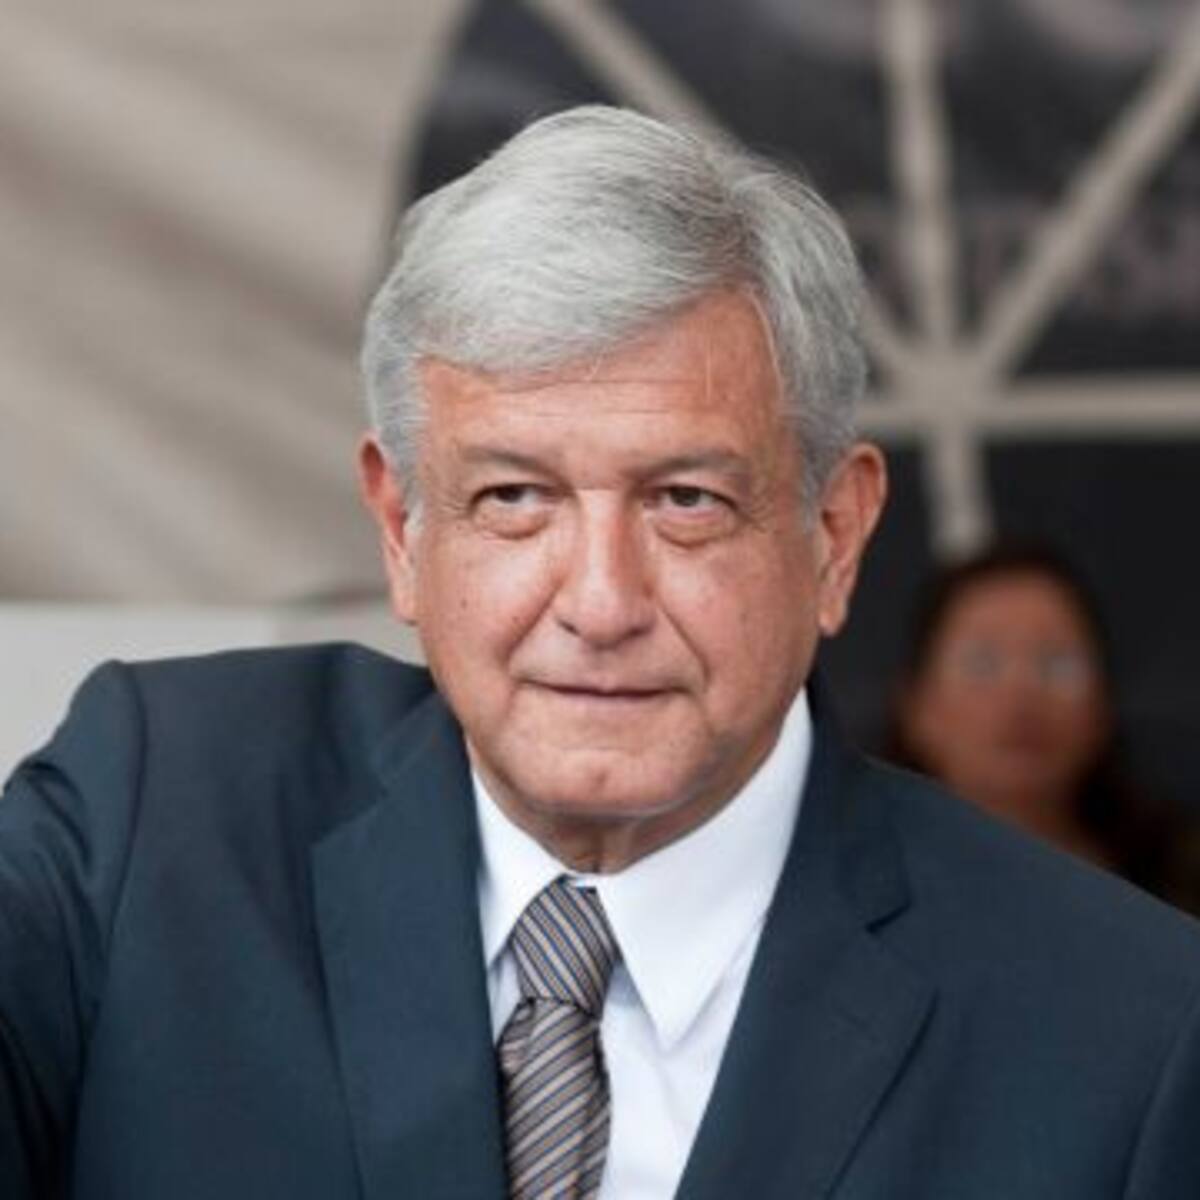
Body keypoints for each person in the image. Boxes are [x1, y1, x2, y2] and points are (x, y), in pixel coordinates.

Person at [3, 106, 1200, 1199]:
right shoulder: (148, 818)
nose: (601, 602)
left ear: (834, 536)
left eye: (685, 500)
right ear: (402, 530)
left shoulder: (1129, 1030)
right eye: (515, 498)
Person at [889, 542, 1197, 908]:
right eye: (982, 664)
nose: (1022, 697)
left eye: (1058, 666)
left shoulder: (1177, 884)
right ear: (918, 706)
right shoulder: (853, 887)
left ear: (1102, 708)